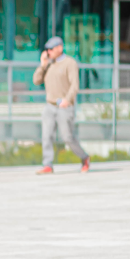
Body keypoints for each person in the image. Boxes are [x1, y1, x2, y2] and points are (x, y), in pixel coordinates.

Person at [32, 36, 91, 175]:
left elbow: (74, 85)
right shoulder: (48, 64)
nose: (48, 52)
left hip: (65, 106)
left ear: (60, 48)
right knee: (46, 136)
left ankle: (84, 157)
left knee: (67, 137)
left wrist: (67, 99)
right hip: (50, 105)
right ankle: (47, 165)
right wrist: (43, 64)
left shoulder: (69, 63)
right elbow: (36, 80)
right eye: (47, 49)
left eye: (51, 49)